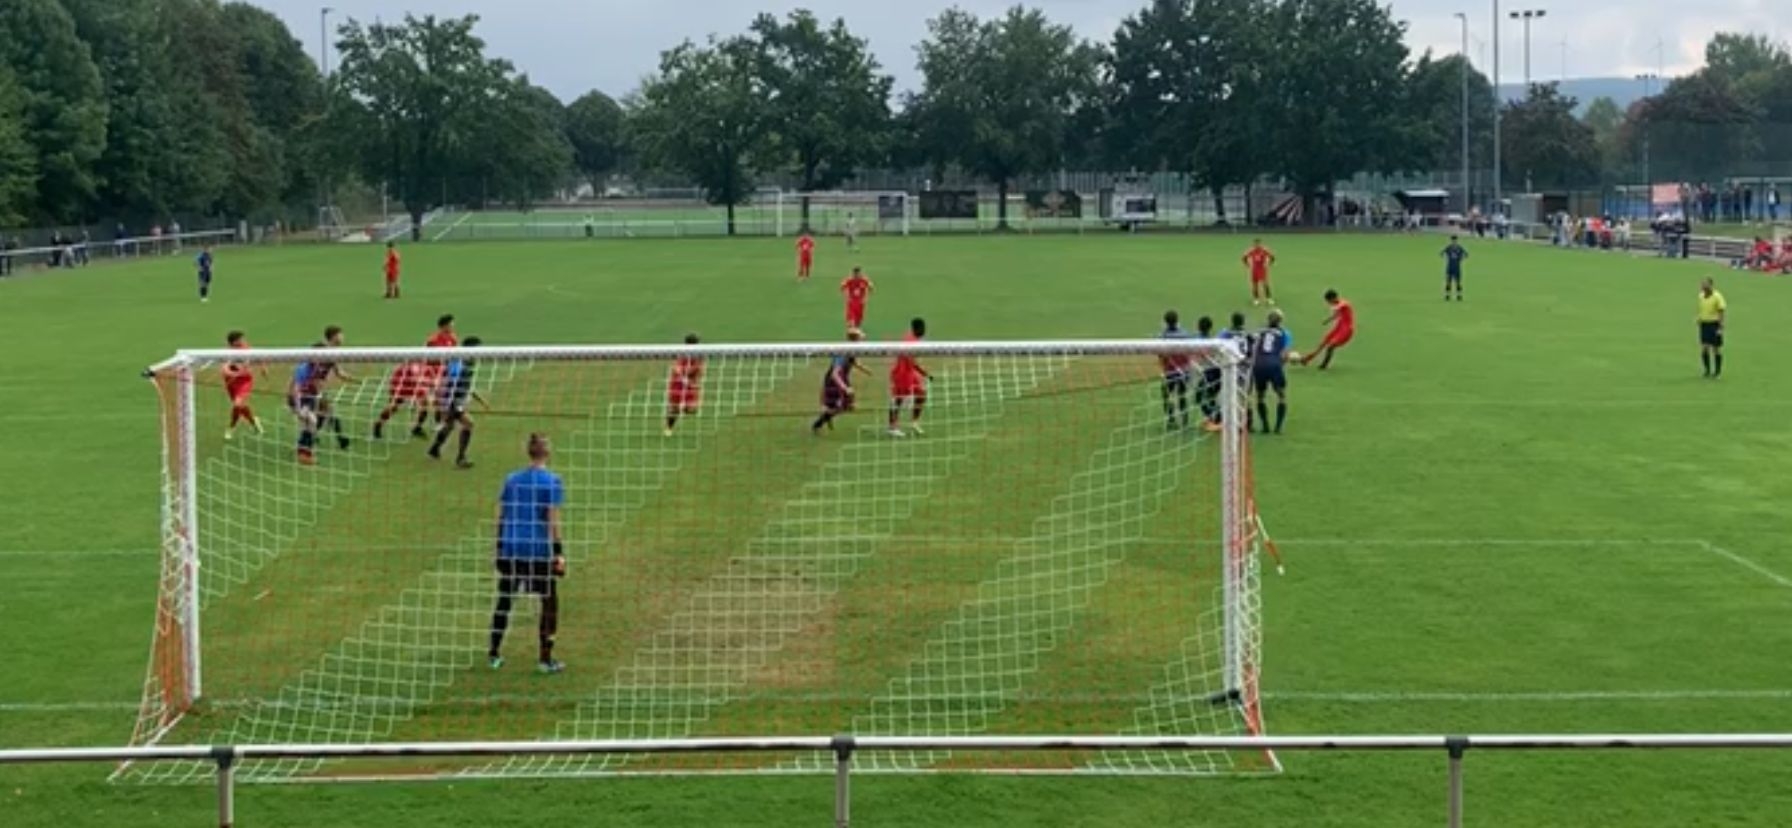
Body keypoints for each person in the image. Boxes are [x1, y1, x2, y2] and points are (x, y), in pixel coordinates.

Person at [488, 432, 567, 674]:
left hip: (511, 547)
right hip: (537, 549)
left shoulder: (512, 479)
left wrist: (499, 546)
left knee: (505, 600)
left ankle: (494, 654)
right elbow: (552, 519)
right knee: (549, 602)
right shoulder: (552, 481)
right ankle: (545, 659)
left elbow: (501, 514)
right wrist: (559, 552)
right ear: (547, 452)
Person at [289, 327, 353, 465]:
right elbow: (295, 388)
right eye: (339, 335)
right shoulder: (305, 367)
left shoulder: (329, 358)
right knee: (313, 419)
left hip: (312, 395)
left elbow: (332, 374)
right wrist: (298, 407)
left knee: (319, 417)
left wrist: (348, 378)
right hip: (301, 397)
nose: (342, 338)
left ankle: (307, 447)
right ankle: (306, 451)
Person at [428, 337, 488, 468]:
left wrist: (480, 399)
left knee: (449, 426)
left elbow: (466, 386)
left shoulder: (468, 363)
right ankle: (461, 458)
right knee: (468, 424)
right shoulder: (458, 363)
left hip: (455, 401)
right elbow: (448, 382)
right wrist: (443, 403)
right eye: (478, 349)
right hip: (452, 401)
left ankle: (434, 449)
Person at [812, 328, 869, 435]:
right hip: (834, 381)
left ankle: (825, 416)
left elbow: (854, 362)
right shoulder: (843, 352)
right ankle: (820, 422)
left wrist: (865, 370)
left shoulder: (852, 349)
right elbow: (835, 374)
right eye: (861, 338)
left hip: (843, 378)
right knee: (843, 406)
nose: (863, 340)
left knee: (848, 405)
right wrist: (844, 388)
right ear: (855, 340)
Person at [887, 317, 932, 438]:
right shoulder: (909, 342)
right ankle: (892, 427)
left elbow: (913, 362)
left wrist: (923, 373)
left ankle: (914, 422)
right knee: (898, 399)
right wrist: (924, 373)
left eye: (923, 328)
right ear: (914, 329)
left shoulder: (914, 340)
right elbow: (912, 361)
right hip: (901, 373)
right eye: (920, 328)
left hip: (910, 372)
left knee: (921, 395)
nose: (923, 331)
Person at [1252, 311, 1294, 434]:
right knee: (1281, 395)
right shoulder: (1285, 333)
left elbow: (1253, 348)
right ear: (1280, 321)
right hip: (1274, 365)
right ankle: (1278, 428)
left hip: (1259, 365)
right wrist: (1282, 363)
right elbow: (1284, 355)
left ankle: (1265, 426)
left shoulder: (1259, 332)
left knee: (1260, 396)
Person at [222, 331, 267, 440]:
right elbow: (225, 369)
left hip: (244, 381)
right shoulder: (228, 353)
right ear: (234, 343)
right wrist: (235, 374)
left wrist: (263, 368)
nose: (243, 341)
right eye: (240, 340)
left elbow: (258, 356)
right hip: (231, 382)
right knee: (240, 406)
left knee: (237, 404)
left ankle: (231, 427)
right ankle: (254, 422)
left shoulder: (246, 349)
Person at [373, 360, 434, 440]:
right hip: (402, 382)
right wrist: (429, 383)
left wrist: (430, 387)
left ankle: (417, 428)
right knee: (394, 406)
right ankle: (378, 425)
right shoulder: (417, 363)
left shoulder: (431, 366)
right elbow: (416, 376)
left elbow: (430, 381)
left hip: (414, 382)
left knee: (424, 404)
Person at [1157, 311, 1195, 432]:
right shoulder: (1185, 334)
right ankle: (1184, 421)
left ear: (1165, 322)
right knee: (1182, 395)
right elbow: (1189, 352)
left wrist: (1163, 368)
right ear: (1177, 320)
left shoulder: (1163, 336)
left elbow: (1160, 355)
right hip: (1184, 370)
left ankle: (1171, 419)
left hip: (1169, 371)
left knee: (1166, 395)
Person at [1299, 290, 1355, 371]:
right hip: (1339, 327)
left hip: (1346, 330)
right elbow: (1336, 314)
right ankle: (1307, 359)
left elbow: (1341, 306)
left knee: (1331, 346)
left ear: (1333, 298)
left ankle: (1324, 365)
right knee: (1323, 343)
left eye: (1329, 301)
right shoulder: (1338, 305)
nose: (1329, 303)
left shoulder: (1344, 303)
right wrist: (1327, 320)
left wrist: (1335, 307)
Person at [664, 333, 703, 436]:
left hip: (689, 384)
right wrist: (682, 376)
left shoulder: (699, 355)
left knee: (692, 409)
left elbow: (699, 370)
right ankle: (668, 429)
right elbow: (676, 368)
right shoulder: (682, 354)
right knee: (675, 408)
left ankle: (682, 408)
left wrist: (694, 382)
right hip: (677, 383)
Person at [1698, 278, 1726, 379]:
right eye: (1702, 285)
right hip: (1704, 324)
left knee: (1716, 349)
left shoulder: (1717, 296)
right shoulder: (1701, 296)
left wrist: (1720, 327)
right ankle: (1707, 370)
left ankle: (1717, 372)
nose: (1703, 287)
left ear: (1711, 285)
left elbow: (1721, 311)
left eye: (1705, 285)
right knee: (1704, 348)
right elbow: (1702, 308)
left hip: (1714, 324)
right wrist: (1699, 318)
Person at [1242, 240, 1276, 306]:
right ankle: (1256, 299)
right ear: (1254, 244)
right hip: (1254, 270)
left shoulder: (1264, 250)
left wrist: (1269, 263)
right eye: (1255, 244)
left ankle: (1269, 299)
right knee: (1255, 285)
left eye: (1258, 244)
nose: (1257, 245)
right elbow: (1244, 257)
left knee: (1265, 284)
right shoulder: (1251, 250)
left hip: (1262, 269)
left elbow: (1272, 256)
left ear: (1260, 244)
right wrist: (1247, 264)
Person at [1441, 235, 1469, 301]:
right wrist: (1446, 258)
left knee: (1458, 282)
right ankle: (1447, 296)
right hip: (1450, 267)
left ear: (1457, 240)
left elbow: (1466, 254)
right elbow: (1441, 253)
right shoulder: (1449, 247)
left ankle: (1459, 296)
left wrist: (1461, 259)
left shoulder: (1459, 247)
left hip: (1457, 267)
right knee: (1448, 282)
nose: (1454, 242)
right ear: (1451, 241)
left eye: (1455, 240)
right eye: (1453, 240)